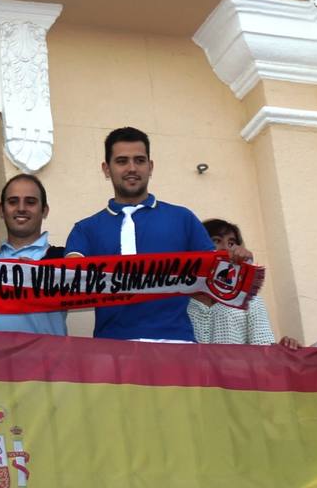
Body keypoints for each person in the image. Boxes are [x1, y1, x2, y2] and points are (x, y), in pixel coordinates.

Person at [65, 126, 255, 342]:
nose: (132, 168)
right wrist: (26, 273)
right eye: (121, 161)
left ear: (150, 166)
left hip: (177, 345)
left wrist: (237, 264)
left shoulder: (183, 218)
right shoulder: (86, 229)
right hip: (112, 347)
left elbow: (212, 283)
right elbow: (70, 281)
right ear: (106, 169)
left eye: (139, 160)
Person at [0, 174, 67, 336]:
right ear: (1, 210)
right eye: (13, 202)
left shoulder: (65, 259)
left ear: (44, 210)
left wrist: (39, 277)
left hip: (48, 361)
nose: (21, 208)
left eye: (30, 202)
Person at [189, 219, 298, 348]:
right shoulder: (179, 299)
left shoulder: (249, 300)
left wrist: (284, 350)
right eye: (216, 240)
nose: (225, 248)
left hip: (235, 369)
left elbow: (263, 350)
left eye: (231, 243)